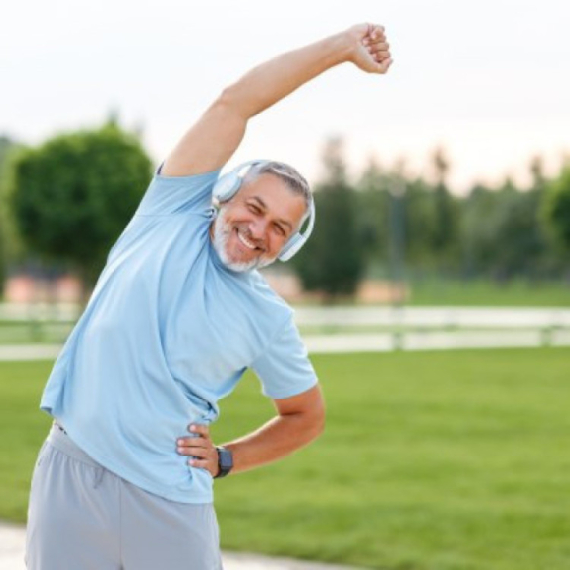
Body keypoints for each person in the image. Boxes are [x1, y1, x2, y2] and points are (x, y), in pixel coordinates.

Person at [25, 23, 392, 570]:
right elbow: (236, 103)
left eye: (280, 228)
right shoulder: (168, 212)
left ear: (288, 246)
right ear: (224, 194)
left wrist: (226, 459)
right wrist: (339, 49)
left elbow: (305, 415)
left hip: (170, 502)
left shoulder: (267, 317)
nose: (259, 229)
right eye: (256, 207)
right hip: (70, 476)